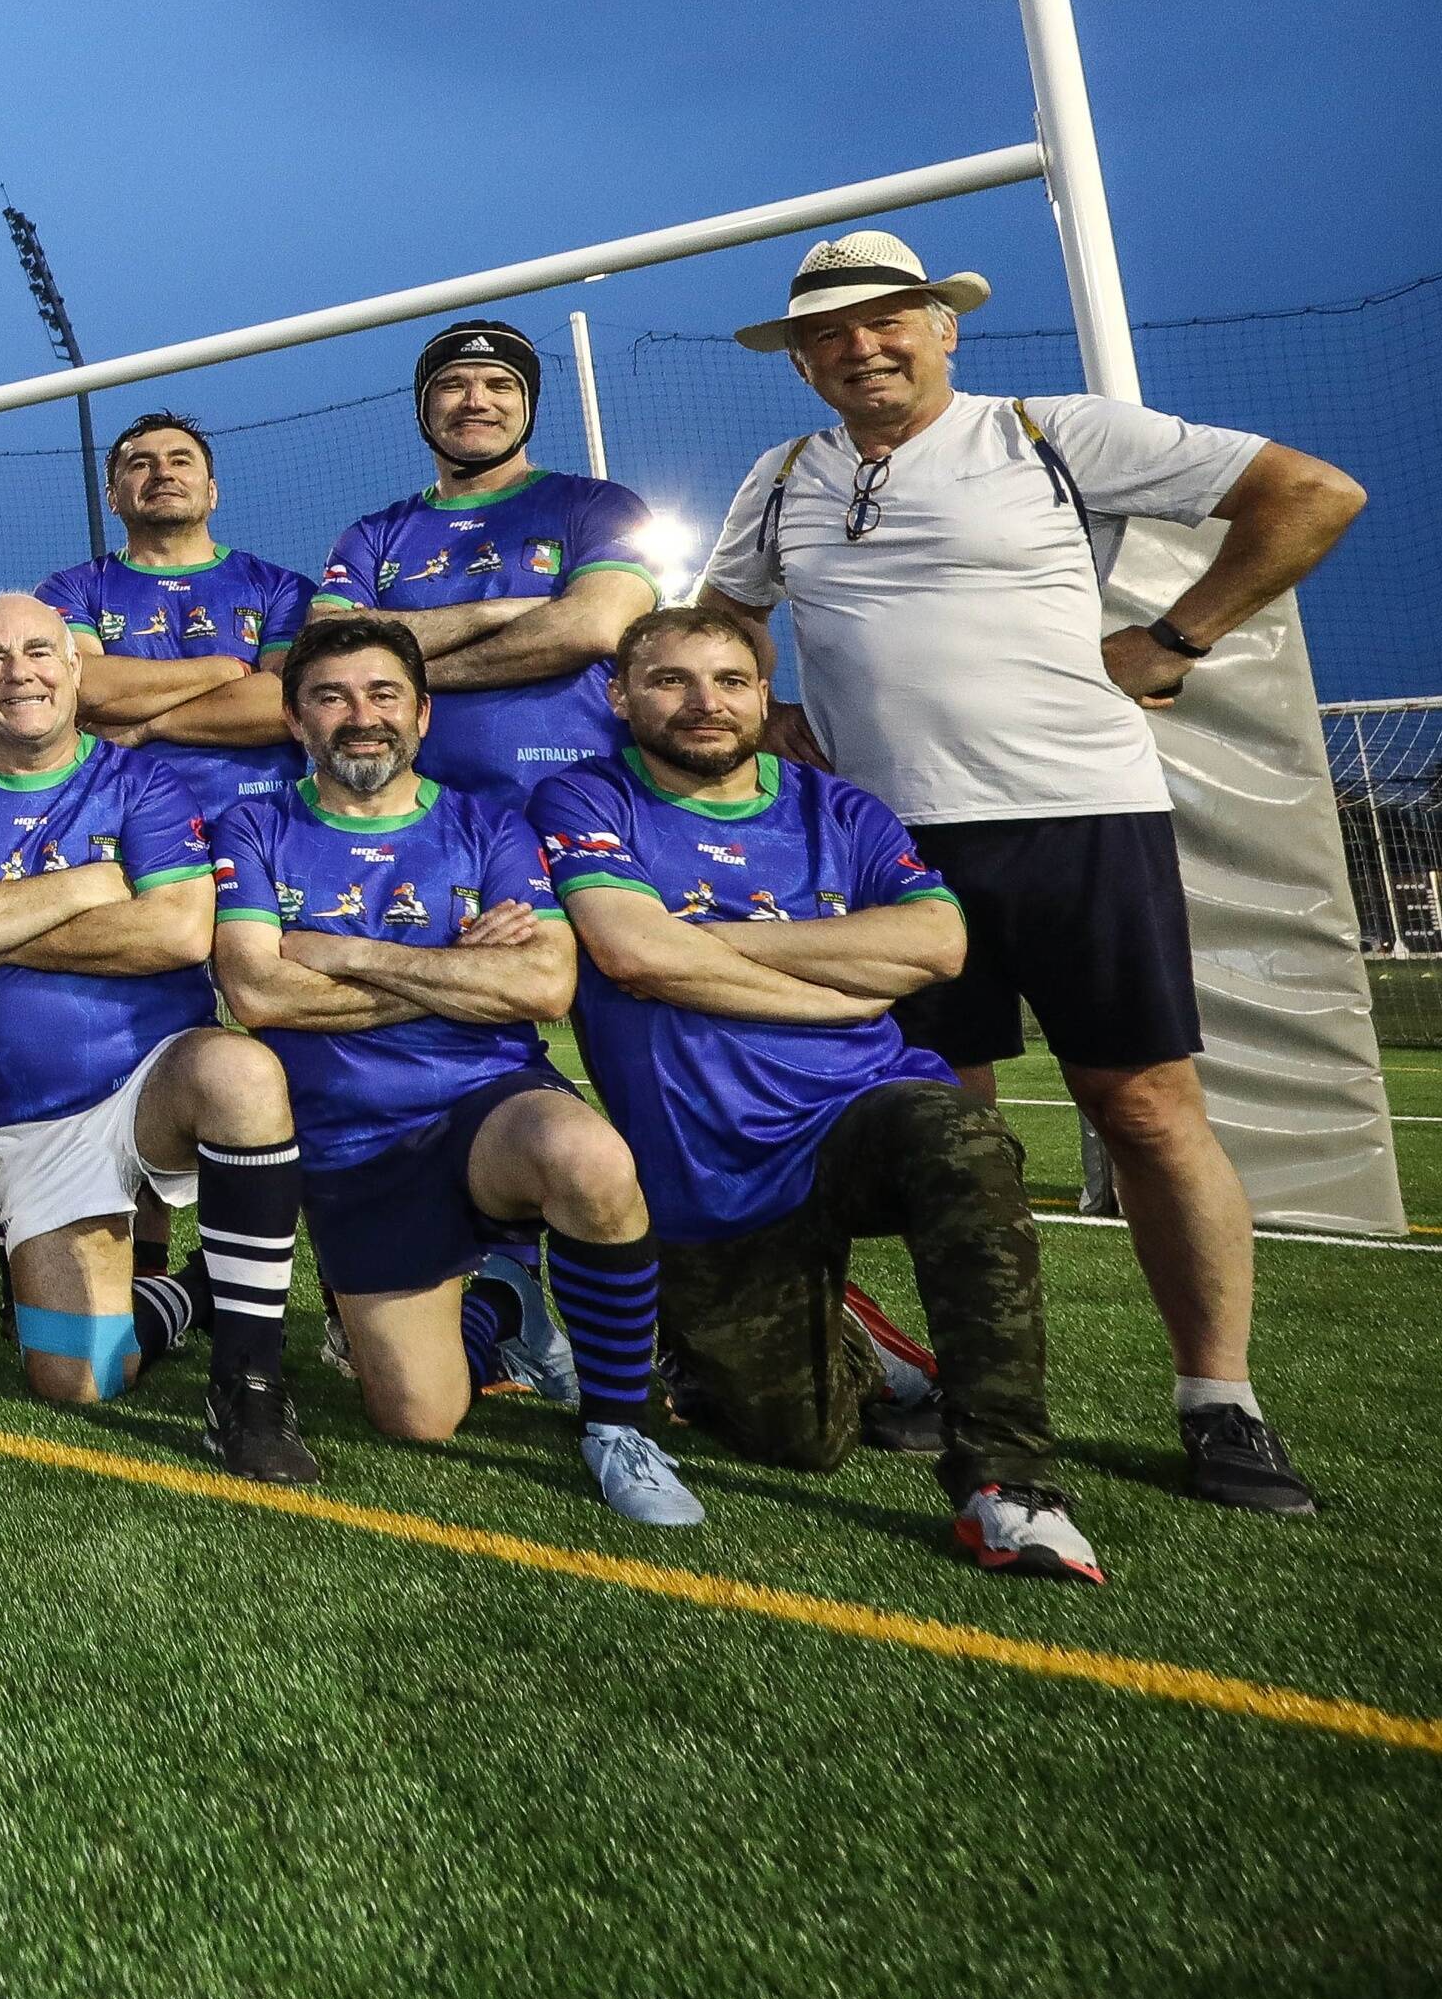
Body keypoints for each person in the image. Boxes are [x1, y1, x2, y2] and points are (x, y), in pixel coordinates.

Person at [701, 228, 1364, 1516]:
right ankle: (975, 1385)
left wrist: (1174, 638)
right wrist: (760, 701)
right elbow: (724, 609)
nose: (858, 345)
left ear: (944, 326)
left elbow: (1311, 493)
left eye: (886, 319)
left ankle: (1218, 1403)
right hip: (883, 845)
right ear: (798, 362)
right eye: (826, 333)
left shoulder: (1049, 431)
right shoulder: (782, 475)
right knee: (946, 1138)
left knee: (1144, 1109)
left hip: (1075, 817)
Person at [536, 603, 1098, 1579]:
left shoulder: (840, 810)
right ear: (617, 694)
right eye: (669, 680)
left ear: (762, 695)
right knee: (796, 1440)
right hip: (706, 1176)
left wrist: (697, 941)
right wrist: (838, 987)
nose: (702, 703)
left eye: (731, 681)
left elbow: (938, 945)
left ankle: (1005, 1484)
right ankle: (856, 1341)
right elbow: (628, 951)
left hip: (860, 1110)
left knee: (958, 1138)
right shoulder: (582, 802)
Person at [202, 615, 706, 1525]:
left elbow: (547, 983)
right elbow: (259, 993)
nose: (362, 715)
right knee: (418, 1418)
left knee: (587, 1156)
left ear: (423, 714)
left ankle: (620, 1424)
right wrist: (458, 969)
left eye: (384, 693)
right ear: (294, 719)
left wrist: (342, 952)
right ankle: (503, 1317)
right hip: (352, 1140)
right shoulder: (254, 823)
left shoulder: (490, 824)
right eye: (332, 696)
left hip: (488, 1102)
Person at [0, 592, 313, 1479]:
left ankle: (251, 1388)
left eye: (40, 651)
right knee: (76, 1377)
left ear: (76, 669)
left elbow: (179, 933)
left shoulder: (145, 781)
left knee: (241, 1072)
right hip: (36, 1116)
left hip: (154, 1078)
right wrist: (91, 883)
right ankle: (197, 1291)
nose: (19, 672)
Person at [308, 321, 658, 802]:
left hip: (587, 798)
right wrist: (492, 612)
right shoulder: (372, 533)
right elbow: (327, 644)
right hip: (421, 819)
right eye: (453, 384)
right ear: (423, 408)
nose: (476, 400)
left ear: (527, 405)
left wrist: (403, 678)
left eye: (500, 384)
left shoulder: (598, 505)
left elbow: (593, 626)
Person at [38, 412, 310, 817]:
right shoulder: (71, 588)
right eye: (141, 464)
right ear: (112, 497)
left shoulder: (281, 588)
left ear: (212, 492)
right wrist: (226, 671)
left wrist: (149, 726)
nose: (163, 473)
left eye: (181, 461)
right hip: (120, 815)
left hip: (261, 815)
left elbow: (292, 704)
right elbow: (86, 686)